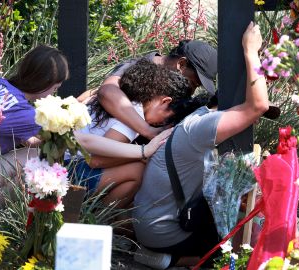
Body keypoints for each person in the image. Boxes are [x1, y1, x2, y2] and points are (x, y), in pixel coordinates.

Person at [0, 44, 171, 222]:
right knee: (35, 163)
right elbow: (80, 141)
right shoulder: (21, 114)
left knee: (34, 152)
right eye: (56, 87)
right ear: (46, 84)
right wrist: (144, 150)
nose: (55, 93)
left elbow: (27, 137)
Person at [132, 22, 268, 268]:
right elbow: (258, 106)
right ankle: (174, 260)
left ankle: (166, 257)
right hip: (161, 232)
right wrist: (251, 52)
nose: (251, 124)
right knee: (233, 249)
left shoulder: (201, 117)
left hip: (151, 222)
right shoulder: (201, 128)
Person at [68, 59, 192, 208]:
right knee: (137, 170)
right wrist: (141, 157)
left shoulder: (125, 96)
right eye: (168, 118)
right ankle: (96, 218)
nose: (162, 124)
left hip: (56, 158)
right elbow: (96, 161)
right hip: (68, 172)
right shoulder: (134, 118)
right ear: (165, 101)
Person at [78, 39, 218, 140]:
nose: (192, 91)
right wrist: (148, 131)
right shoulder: (136, 68)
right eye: (193, 83)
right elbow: (107, 91)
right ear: (181, 64)